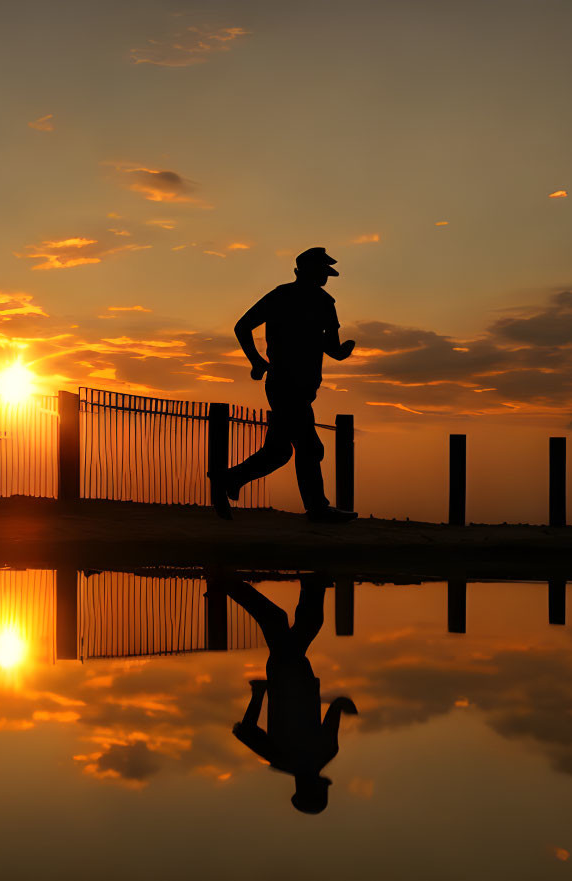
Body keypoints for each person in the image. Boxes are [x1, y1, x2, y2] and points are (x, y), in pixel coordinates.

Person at [212, 247, 357, 522]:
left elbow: (332, 348)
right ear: (306, 273)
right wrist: (256, 360)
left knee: (278, 452)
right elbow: (242, 326)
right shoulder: (288, 297)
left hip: (299, 386)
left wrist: (343, 351)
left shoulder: (322, 303)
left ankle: (228, 480)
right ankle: (317, 508)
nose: (323, 278)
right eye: (321, 272)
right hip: (286, 385)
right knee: (310, 447)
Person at [219, 573, 358, 814]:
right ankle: (310, 581)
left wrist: (260, 693)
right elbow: (244, 730)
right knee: (286, 621)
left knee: (286, 621)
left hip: (289, 676)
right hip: (287, 676)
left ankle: (310, 581)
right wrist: (259, 693)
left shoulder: (319, 753)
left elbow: (336, 708)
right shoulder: (287, 758)